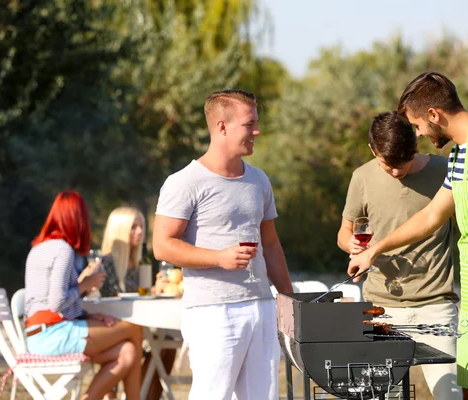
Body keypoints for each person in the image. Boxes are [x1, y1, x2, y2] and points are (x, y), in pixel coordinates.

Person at [348, 72, 468, 400]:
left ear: (434, 116)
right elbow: (431, 215)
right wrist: (374, 249)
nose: (420, 134)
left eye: (418, 125)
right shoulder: (461, 153)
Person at [153, 89, 293, 400]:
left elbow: (271, 245)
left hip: (260, 305)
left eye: (256, 122)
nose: (256, 131)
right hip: (213, 311)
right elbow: (162, 246)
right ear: (222, 127)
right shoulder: (184, 182)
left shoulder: (259, 180)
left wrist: (288, 299)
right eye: (249, 124)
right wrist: (219, 257)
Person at [337, 111, 461, 399]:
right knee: (385, 396)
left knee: (450, 394)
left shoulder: (445, 170)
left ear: (416, 145)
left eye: (402, 162)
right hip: (381, 308)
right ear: (372, 150)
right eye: (387, 164)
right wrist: (351, 244)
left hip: (436, 306)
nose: (396, 171)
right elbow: (343, 233)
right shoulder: (362, 177)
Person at [24, 190, 144, 400]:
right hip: (52, 335)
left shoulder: (40, 247)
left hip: (42, 332)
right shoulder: (62, 250)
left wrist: (88, 316)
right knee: (134, 328)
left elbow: (52, 302)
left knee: (127, 352)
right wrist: (86, 284)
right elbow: (56, 302)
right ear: (78, 219)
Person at [97, 206, 174, 400]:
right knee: (158, 342)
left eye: (141, 226)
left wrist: (154, 290)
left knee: (169, 343)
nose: (140, 231)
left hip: (138, 326)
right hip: (114, 330)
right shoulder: (105, 264)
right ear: (119, 231)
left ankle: (147, 395)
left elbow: (139, 295)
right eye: (133, 227)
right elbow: (107, 302)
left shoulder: (138, 263)